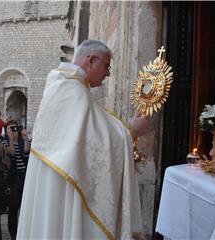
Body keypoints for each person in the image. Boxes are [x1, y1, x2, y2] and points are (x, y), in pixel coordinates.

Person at [17, 39, 149, 239]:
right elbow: (94, 144)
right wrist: (130, 131)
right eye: (106, 66)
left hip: (60, 184)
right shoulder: (71, 90)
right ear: (91, 60)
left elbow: (89, 133)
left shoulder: (65, 85)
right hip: (63, 185)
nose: (108, 73)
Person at [1, 119, 30, 240]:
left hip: (24, 177)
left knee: (24, 206)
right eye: (10, 128)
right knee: (13, 208)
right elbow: (11, 154)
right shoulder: (4, 142)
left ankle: (25, 231)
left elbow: (27, 152)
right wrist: (12, 141)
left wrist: (24, 138)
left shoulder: (22, 141)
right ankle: (13, 233)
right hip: (12, 179)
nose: (14, 131)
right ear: (6, 130)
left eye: (15, 128)